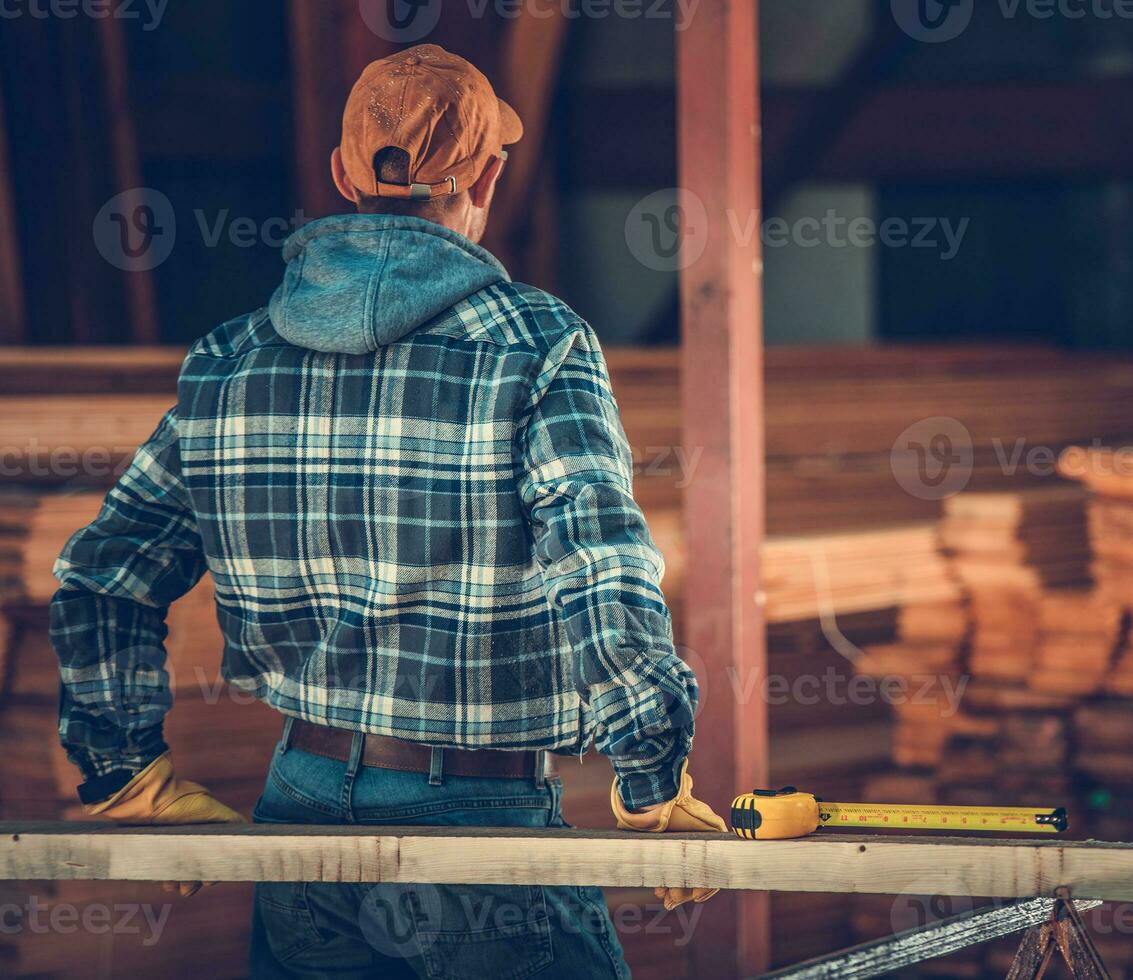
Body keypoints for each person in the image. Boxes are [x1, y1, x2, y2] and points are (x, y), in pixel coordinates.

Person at [49, 43, 724, 980]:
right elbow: (600, 568)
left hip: (301, 807)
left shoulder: (230, 359)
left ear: (340, 174)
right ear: (488, 175)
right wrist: (651, 770)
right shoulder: (537, 345)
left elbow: (102, 575)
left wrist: (123, 770)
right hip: (479, 827)